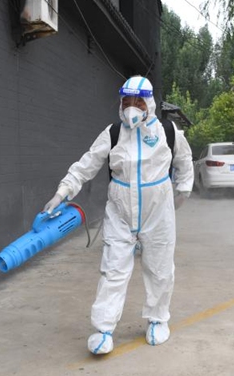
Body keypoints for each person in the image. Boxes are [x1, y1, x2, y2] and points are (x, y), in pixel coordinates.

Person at [42, 76, 194, 355]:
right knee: (113, 270)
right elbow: (86, 165)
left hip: (157, 212)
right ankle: (103, 329)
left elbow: (184, 162)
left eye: (137, 102)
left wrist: (182, 191)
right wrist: (62, 193)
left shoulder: (168, 133)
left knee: (160, 269)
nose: (131, 108)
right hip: (120, 212)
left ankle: (158, 319)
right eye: (126, 102)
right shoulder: (112, 133)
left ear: (148, 103)